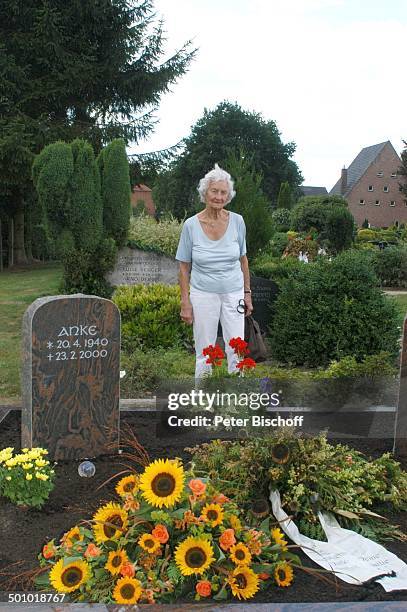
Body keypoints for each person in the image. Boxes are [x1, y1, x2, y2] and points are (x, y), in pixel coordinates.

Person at [175, 164, 253, 379]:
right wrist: (185, 301)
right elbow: (183, 266)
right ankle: (203, 399)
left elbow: (243, 260)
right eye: (214, 191)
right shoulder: (191, 225)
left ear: (228, 196)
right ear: (205, 193)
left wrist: (247, 294)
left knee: (236, 347)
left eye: (223, 192)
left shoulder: (238, 221)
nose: (218, 197)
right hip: (203, 293)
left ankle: (235, 398)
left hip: (233, 292)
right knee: (204, 347)